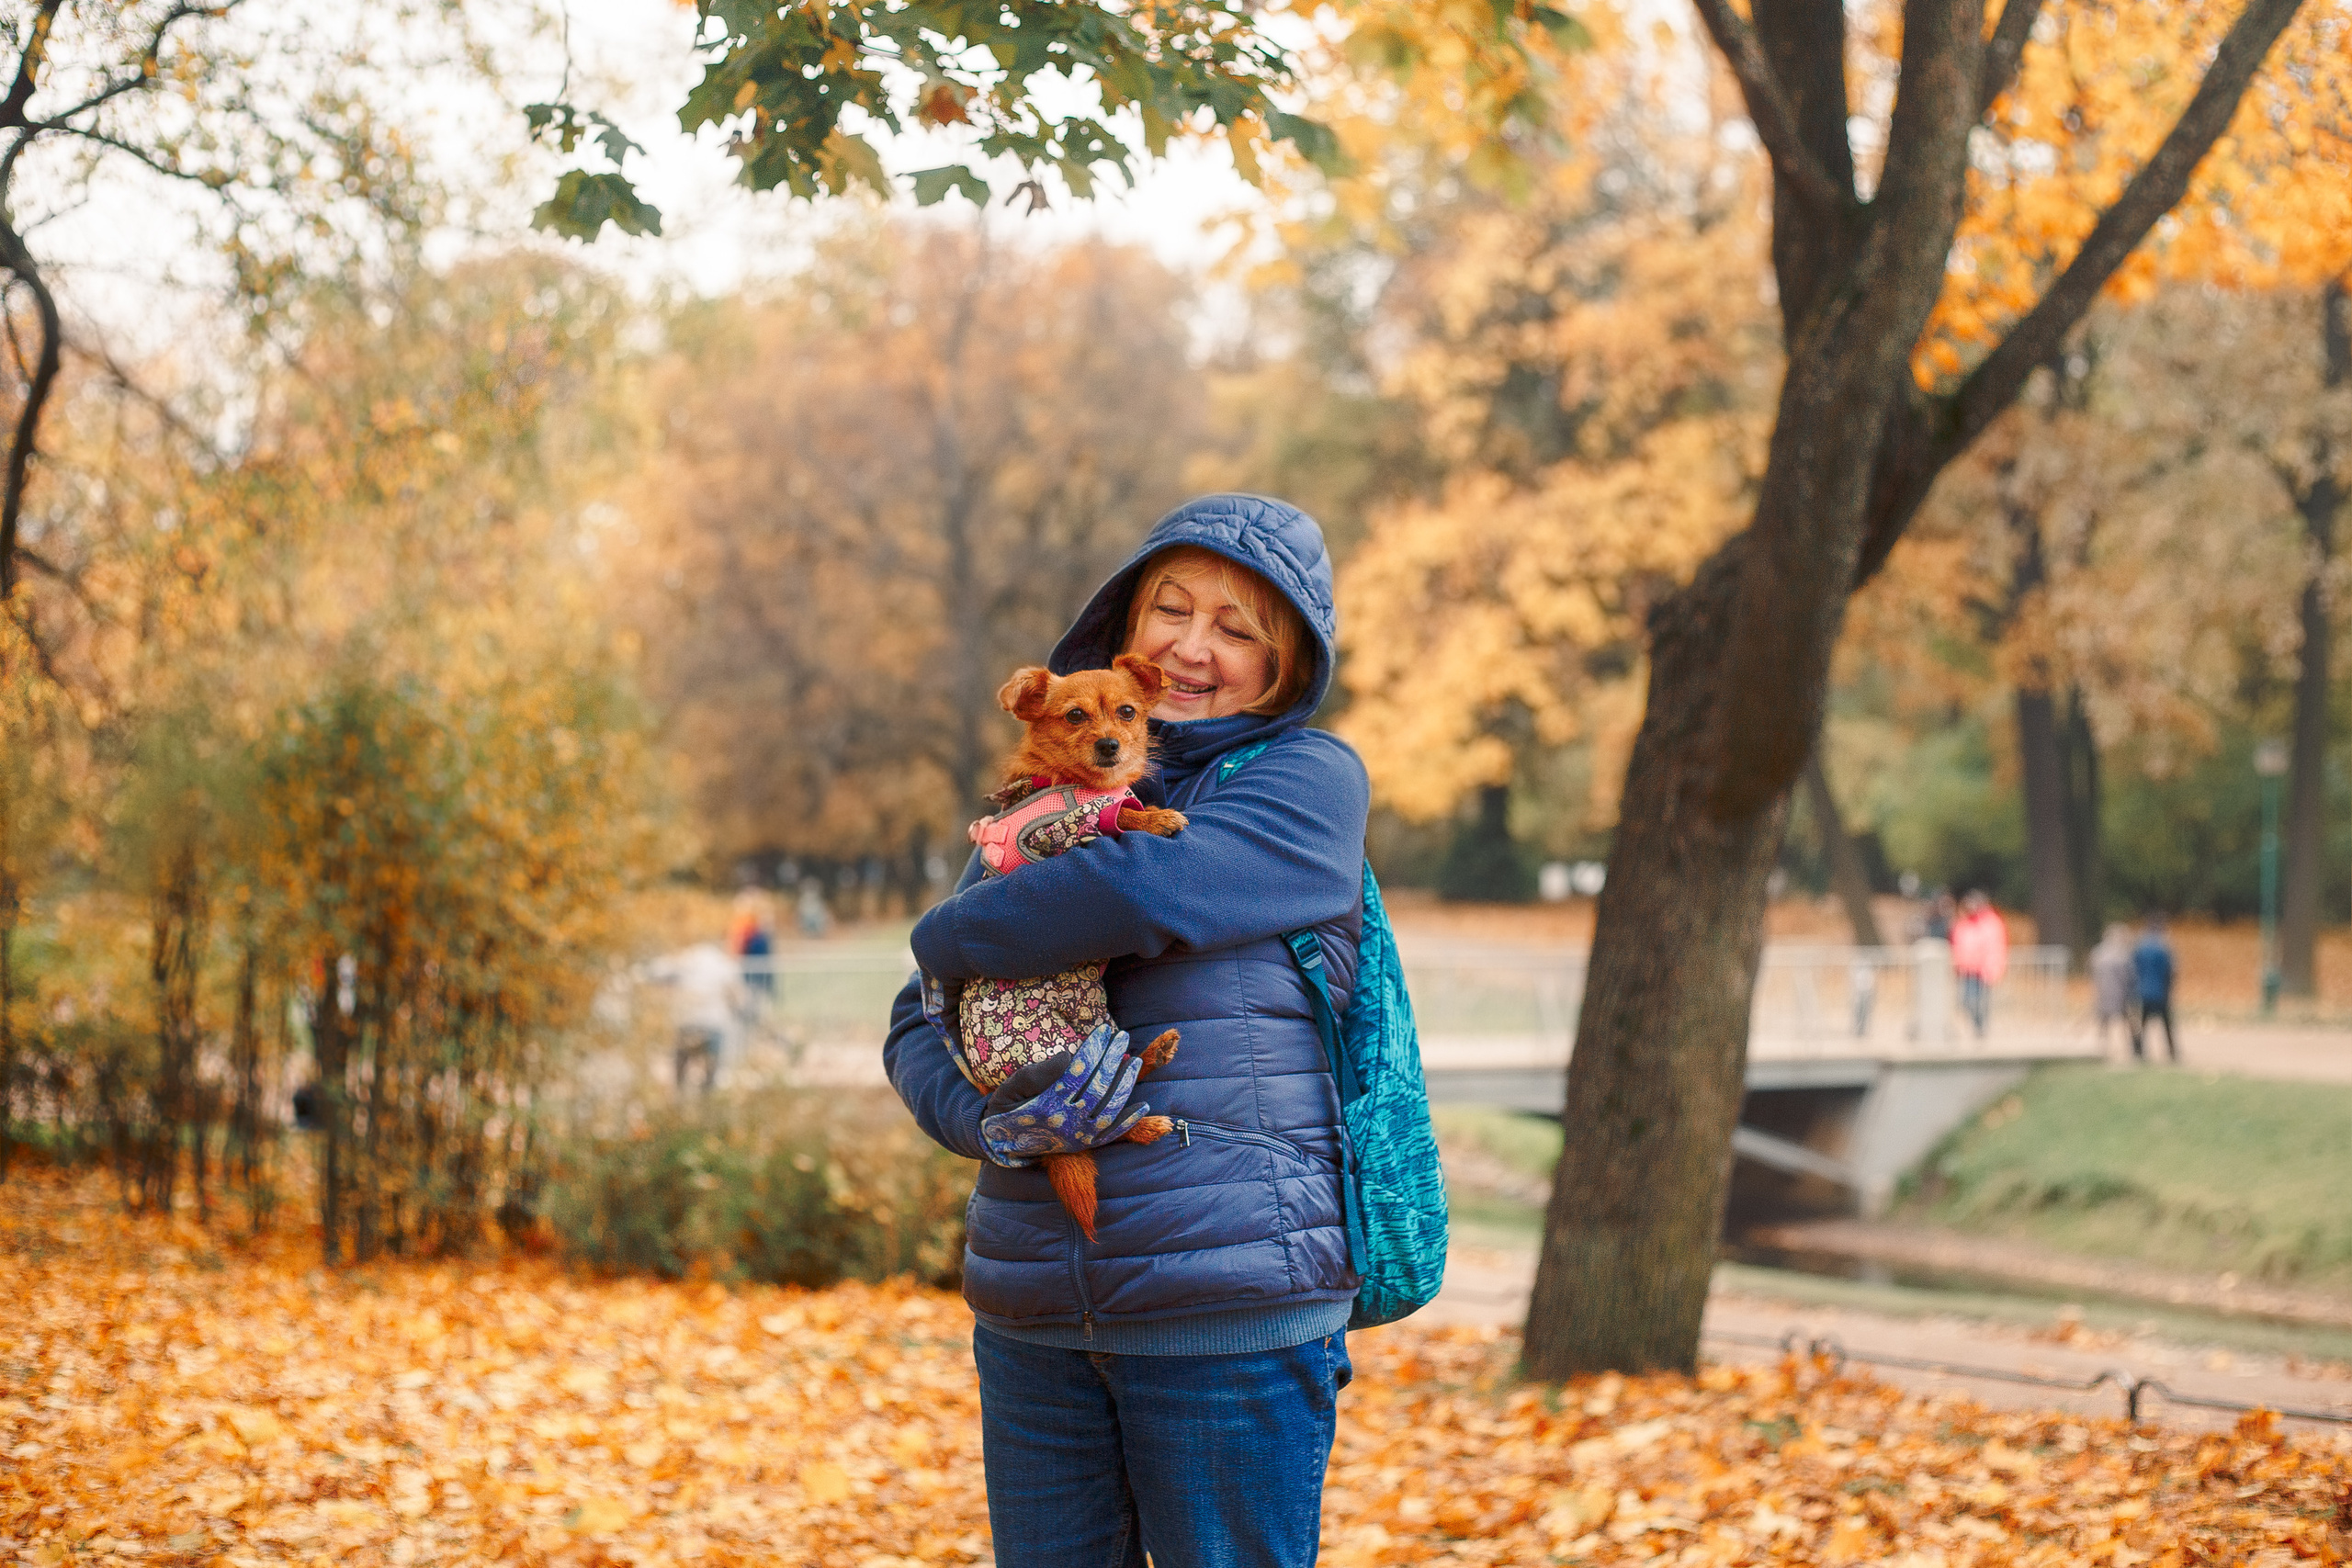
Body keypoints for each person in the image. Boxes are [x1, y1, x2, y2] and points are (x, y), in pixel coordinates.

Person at [883, 495, 1369, 1568]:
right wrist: (990, 1123)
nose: (1195, 648)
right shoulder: (1038, 794)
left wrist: (945, 929)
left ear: (1287, 667)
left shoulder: (1303, 784)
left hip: (1225, 1308)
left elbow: (1138, 893)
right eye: (1172, 610)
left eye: (1239, 629)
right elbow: (917, 1018)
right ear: (1126, 627)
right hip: (1034, 1310)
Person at [643, 941, 746, 1094]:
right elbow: (737, 996)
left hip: (687, 1022)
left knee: (681, 1069)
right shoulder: (724, 964)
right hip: (714, 1024)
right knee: (711, 1071)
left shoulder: (687, 960)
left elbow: (655, 973)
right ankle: (707, 1102)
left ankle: (678, 1101)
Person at [1949, 890, 2008, 1038]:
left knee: (1979, 1002)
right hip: (1966, 969)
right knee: (1965, 1001)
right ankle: (1977, 1026)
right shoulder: (1964, 922)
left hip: (1982, 971)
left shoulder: (1991, 924)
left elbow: (1995, 947)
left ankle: (1980, 1028)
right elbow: (1957, 943)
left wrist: (1993, 968)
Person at [2089, 921, 2139, 1057]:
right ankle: (2131, 1050)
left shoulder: (2097, 954)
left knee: (2105, 1025)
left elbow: (2094, 976)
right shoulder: (2123, 956)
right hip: (2120, 995)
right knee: (2128, 1023)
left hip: (2103, 995)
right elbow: (2130, 977)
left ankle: (2103, 1050)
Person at [2133, 914, 2179, 1063]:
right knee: (2166, 1023)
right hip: (2161, 992)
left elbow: (2133, 969)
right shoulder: (2164, 948)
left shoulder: (2140, 947)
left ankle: (2139, 1050)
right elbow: (2172, 972)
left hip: (2143, 990)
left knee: (2143, 1022)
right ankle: (2171, 1051)